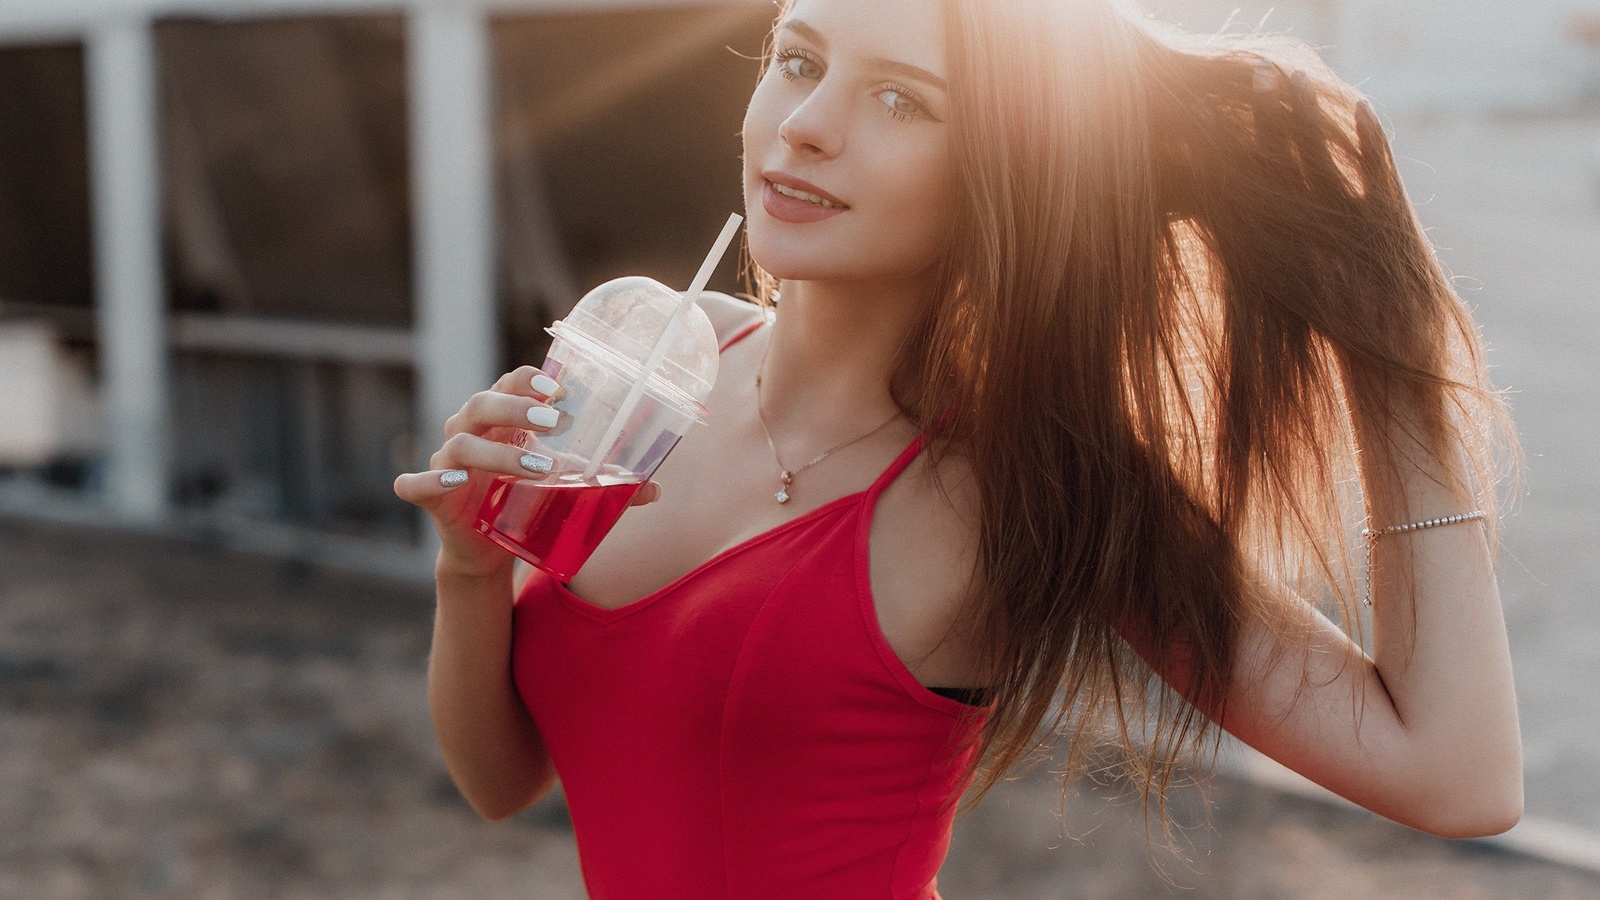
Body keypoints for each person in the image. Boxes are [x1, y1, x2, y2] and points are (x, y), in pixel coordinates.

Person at [393, 0, 1523, 895]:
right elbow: (504, 781)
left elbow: (1460, 781)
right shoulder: (646, 353)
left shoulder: (1024, 485)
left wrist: (1398, 371)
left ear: (1003, 175)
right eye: (797, 58)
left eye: (900, 99)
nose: (808, 123)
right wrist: (470, 568)